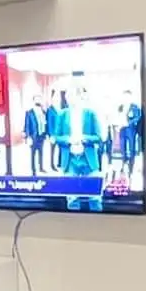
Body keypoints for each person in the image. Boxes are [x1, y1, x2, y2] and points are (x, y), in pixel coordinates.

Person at [60, 76, 104, 210]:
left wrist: (83, 138)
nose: (68, 98)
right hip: (70, 160)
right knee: (72, 198)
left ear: (79, 96)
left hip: (88, 159)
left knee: (94, 198)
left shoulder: (90, 113)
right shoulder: (62, 114)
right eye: (67, 95)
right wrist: (68, 140)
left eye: (71, 95)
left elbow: (99, 137)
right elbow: (56, 136)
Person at [23, 92, 45, 174]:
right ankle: (33, 170)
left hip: (41, 136)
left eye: (39, 99)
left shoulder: (43, 111)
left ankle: (41, 168)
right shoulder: (29, 112)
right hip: (33, 137)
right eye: (36, 99)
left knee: (41, 153)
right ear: (33, 101)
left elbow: (45, 123)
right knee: (33, 154)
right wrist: (28, 137)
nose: (38, 100)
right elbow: (27, 125)